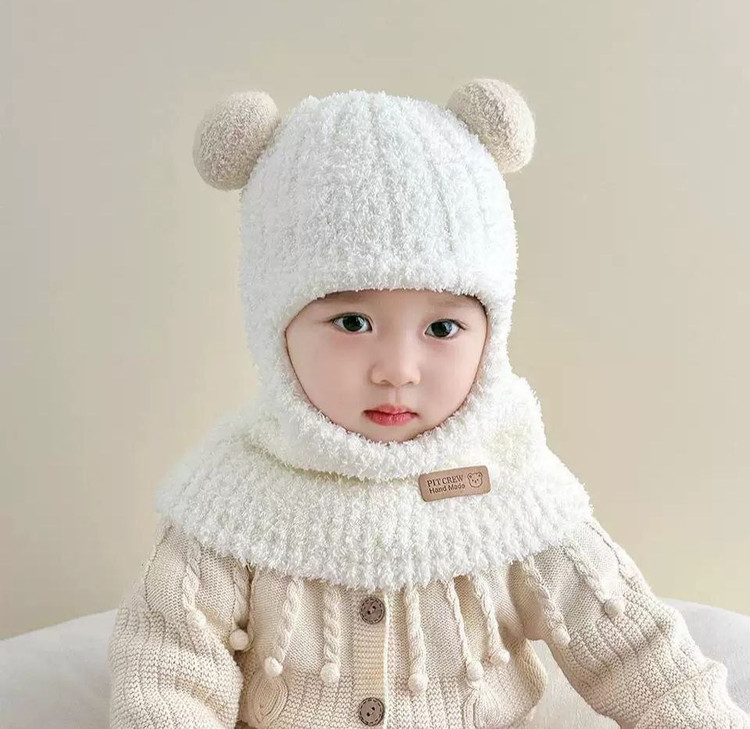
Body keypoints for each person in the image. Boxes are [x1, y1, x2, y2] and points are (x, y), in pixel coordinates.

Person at [107, 79, 749, 728]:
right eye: (352, 322)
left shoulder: (513, 482)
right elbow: (167, 672)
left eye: (442, 328)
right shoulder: (228, 498)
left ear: (491, 336)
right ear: (275, 330)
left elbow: (640, 654)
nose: (397, 370)